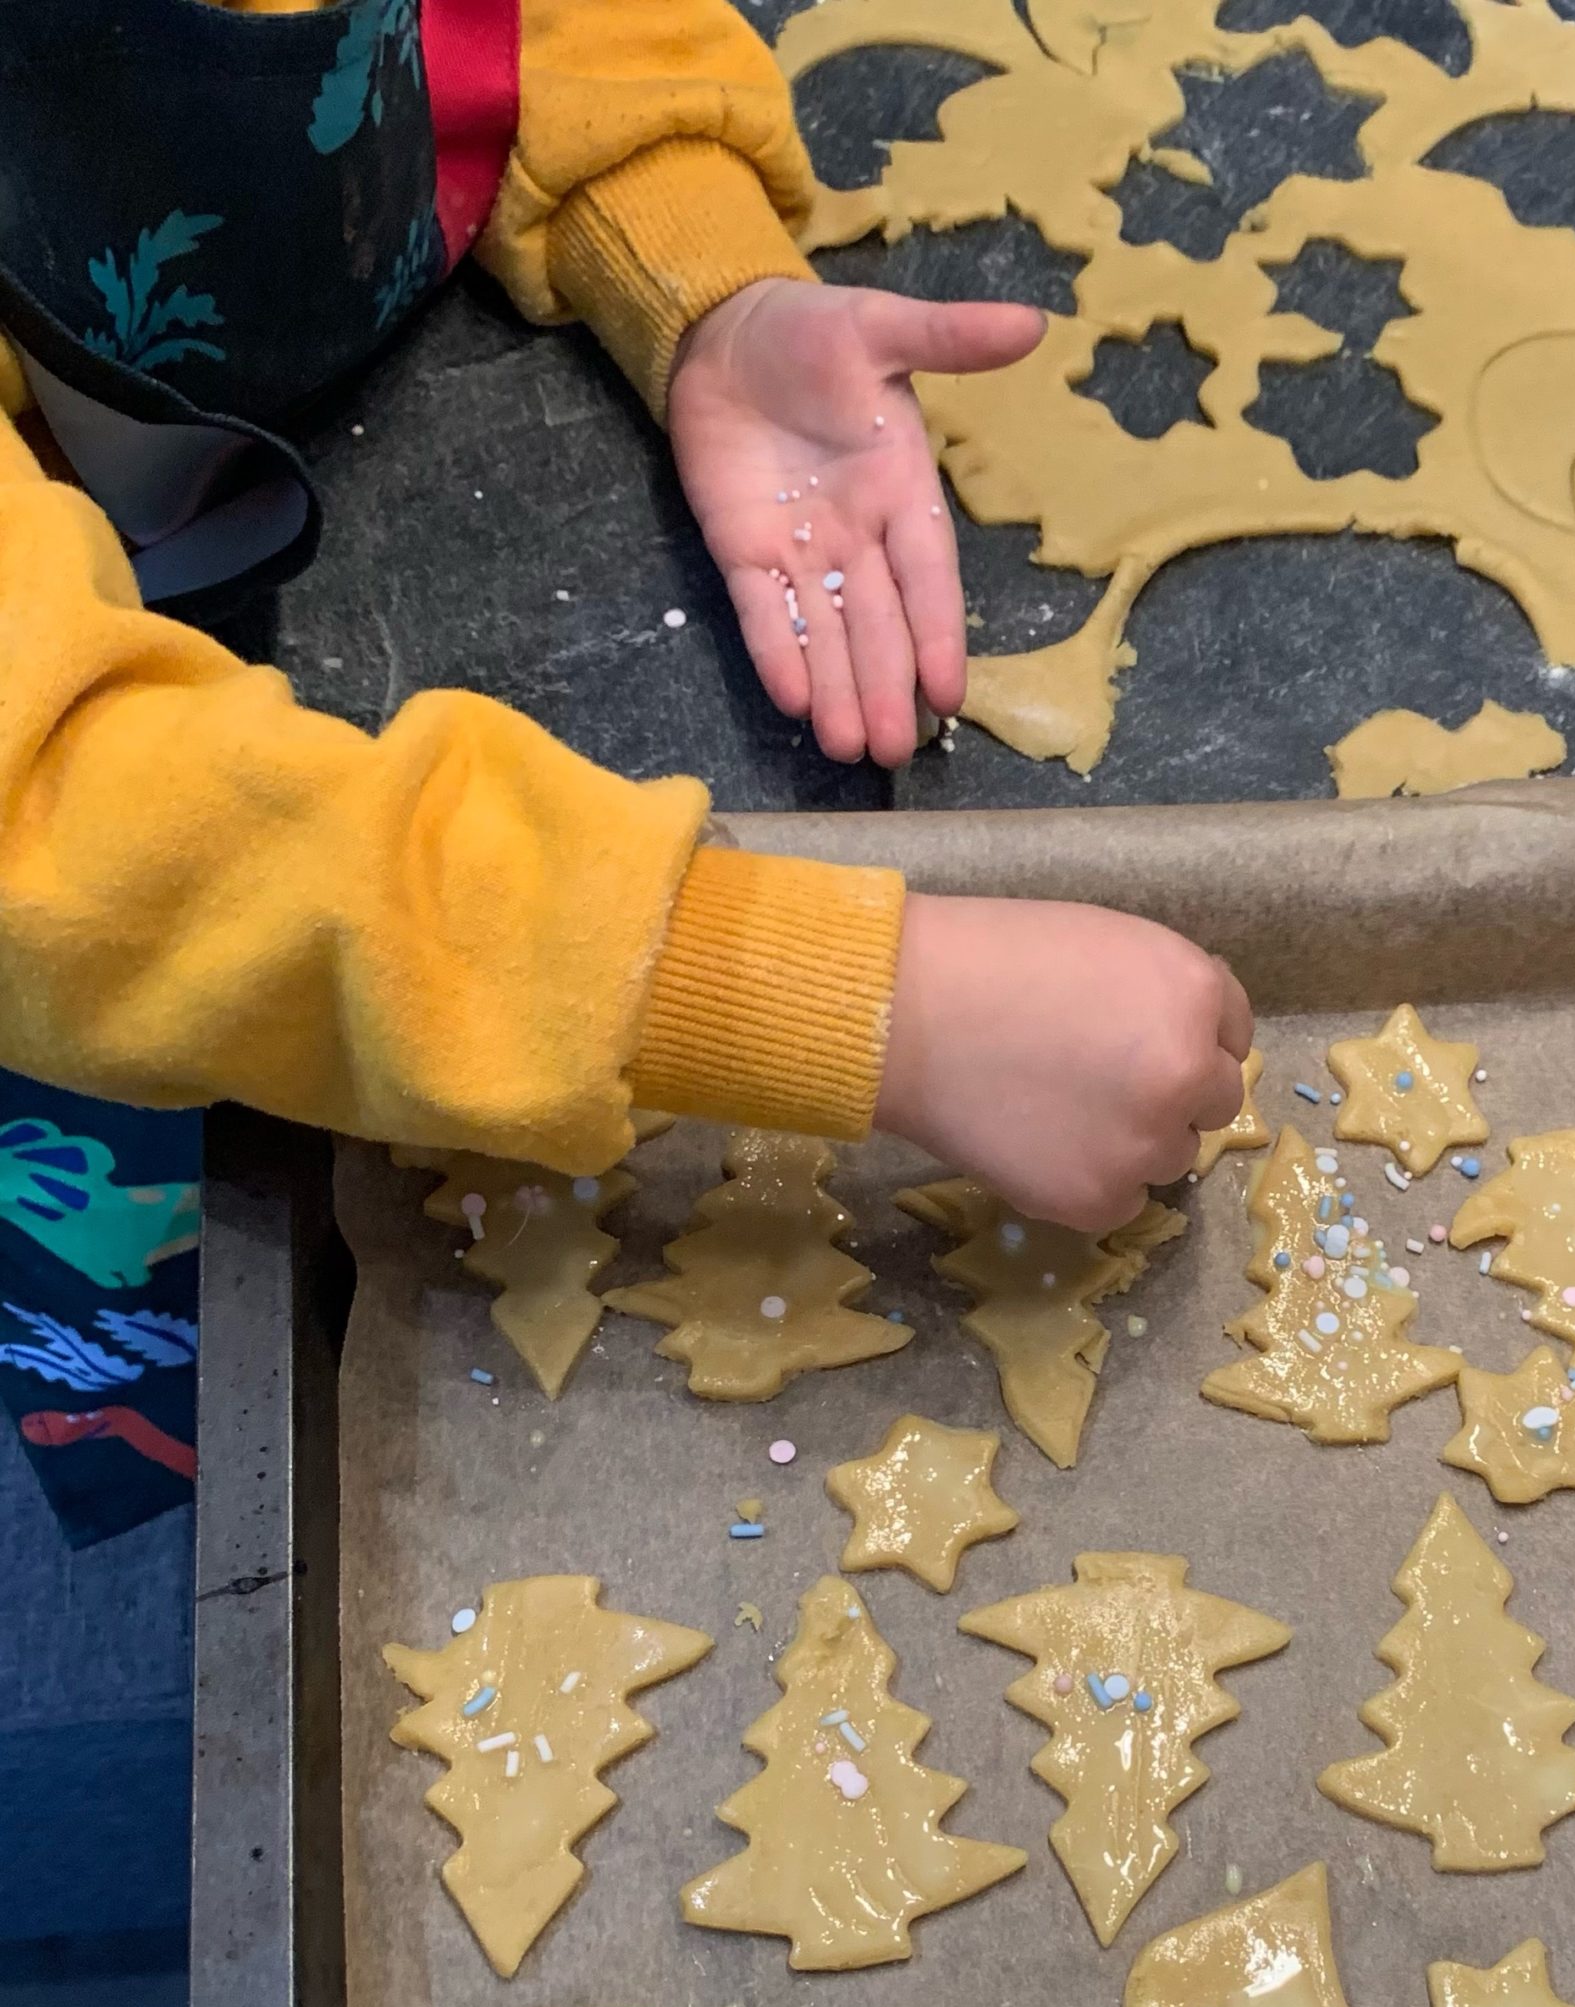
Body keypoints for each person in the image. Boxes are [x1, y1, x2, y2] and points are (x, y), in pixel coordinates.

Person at [0, 0, 1250, 1554]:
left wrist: (684, 261)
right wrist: (837, 998)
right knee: (232, 1414)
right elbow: (51, 813)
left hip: (345, 455)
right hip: (117, 939)